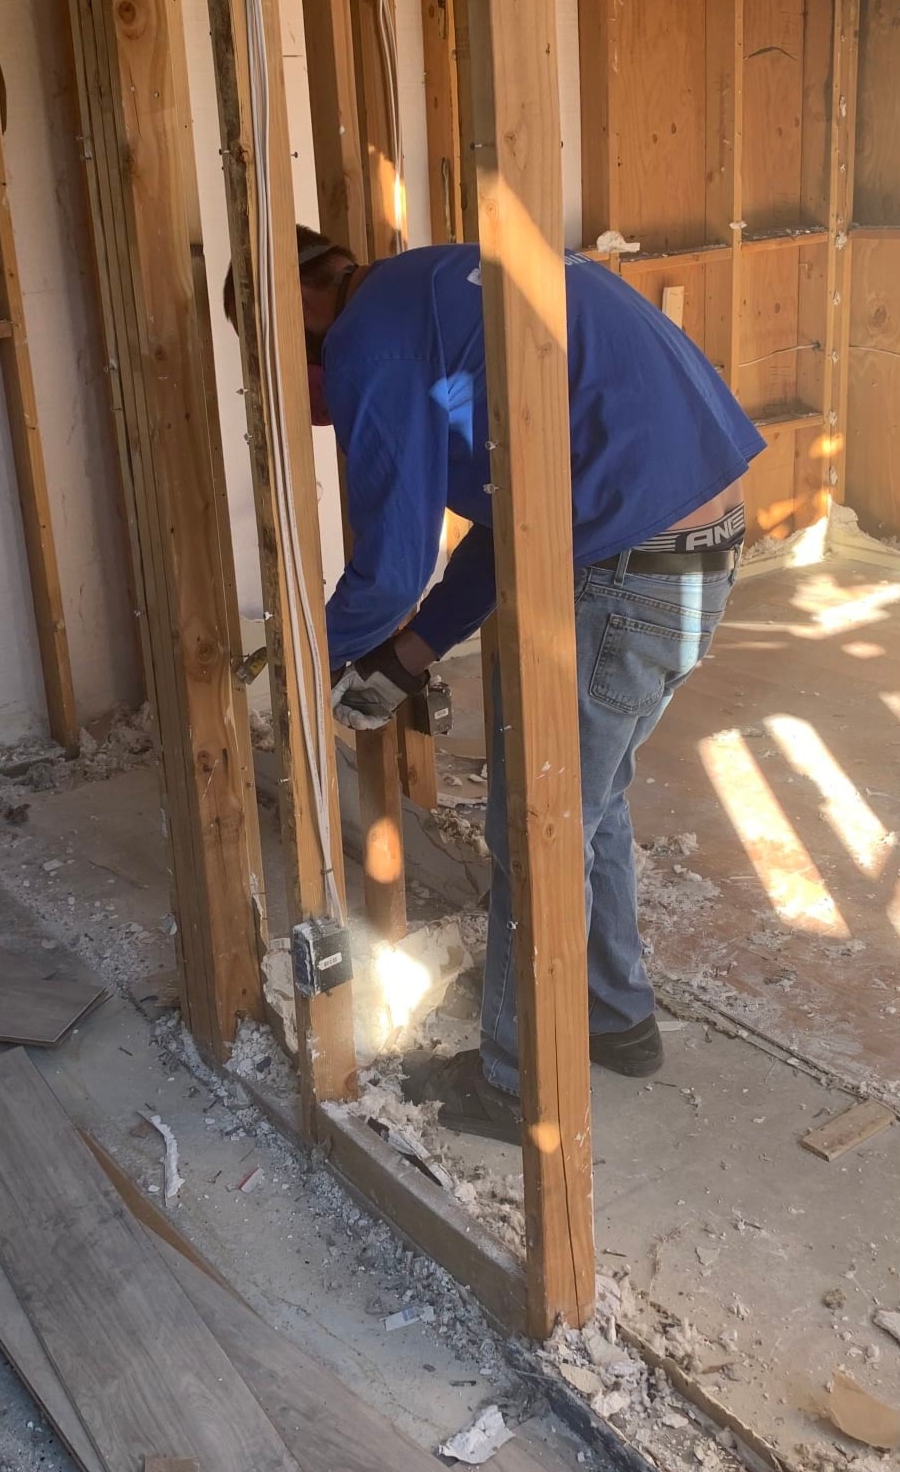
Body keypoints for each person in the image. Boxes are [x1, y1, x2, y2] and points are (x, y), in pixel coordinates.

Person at [224, 228, 764, 1144]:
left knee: (536, 826)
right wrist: (412, 652)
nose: (313, 396)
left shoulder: (371, 334)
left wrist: (302, 664)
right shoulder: (440, 288)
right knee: (592, 805)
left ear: (305, 310)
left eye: (287, 363)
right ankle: (615, 1018)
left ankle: (518, 1086)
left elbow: (391, 570)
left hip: (624, 571)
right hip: (688, 558)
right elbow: (522, 512)